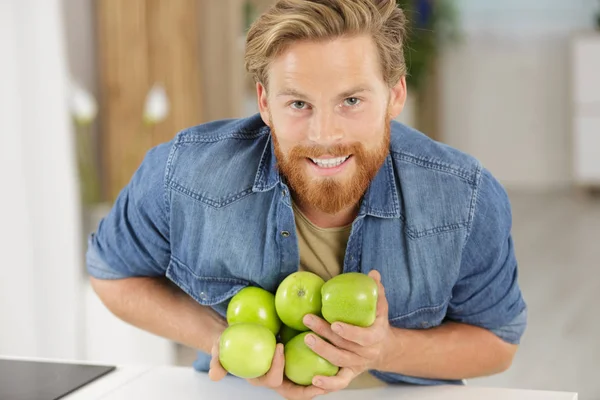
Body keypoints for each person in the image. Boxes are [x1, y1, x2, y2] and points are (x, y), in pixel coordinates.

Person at [86, 0, 527, 399]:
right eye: (298, 103)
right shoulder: (183, 173)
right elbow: (112, 272)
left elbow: (497, 343)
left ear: (395, 95)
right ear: (264, 102)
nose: (324, 137)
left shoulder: (463, 196)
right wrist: (221, 340)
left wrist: (384, 350)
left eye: (351, 100)